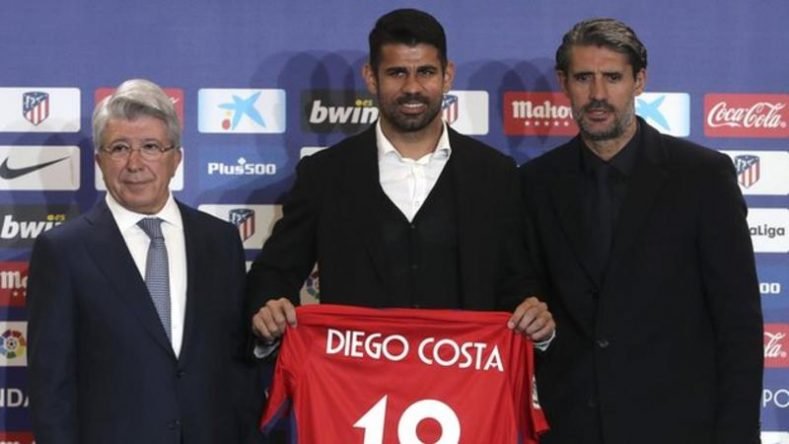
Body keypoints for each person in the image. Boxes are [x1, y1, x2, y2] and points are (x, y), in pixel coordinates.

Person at [519, 18, 763, 444]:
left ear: (639, 81)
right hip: (572, 429)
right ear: (564, 82)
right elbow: (525, 292)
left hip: (680, 430)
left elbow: (738, 324)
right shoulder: (535, 183)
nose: (597, 95)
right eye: (583, 78)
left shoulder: (702, 177)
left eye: (612, 77)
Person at [247, 8, 554, 345]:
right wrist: (271, 308)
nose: (412, 88)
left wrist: (533, 315)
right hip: (356, 384)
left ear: (447, 75)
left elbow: (518, 281)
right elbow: (275, 272)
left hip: (465, 384)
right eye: (397, 73)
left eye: (425, 72)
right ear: (370, 77)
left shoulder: (495, 174)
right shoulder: (325, 175)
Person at [27, 79, 260, 444]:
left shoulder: (220, 240)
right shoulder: (62, 251)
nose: (135, 164)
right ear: (99, 160)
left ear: (176, 158)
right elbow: (50, 386)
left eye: (151, 147)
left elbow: (235, 365)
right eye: (119, 148)